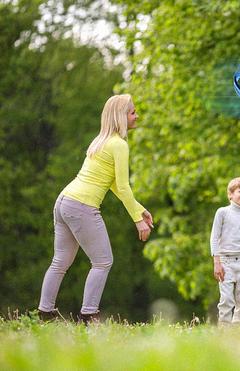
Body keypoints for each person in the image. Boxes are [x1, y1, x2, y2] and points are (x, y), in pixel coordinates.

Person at [37, 94, 153, 324]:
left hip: (64, 201)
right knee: (102, 262)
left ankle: (44, 313)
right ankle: (89, 315)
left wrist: (139, 210)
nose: (136, 116)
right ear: (121, 117)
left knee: (60, 261)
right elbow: (122, 185)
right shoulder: (119, 145)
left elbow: (113, 186)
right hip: (82, 205)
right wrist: (138, 221)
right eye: (132, 112)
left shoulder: (100, 141)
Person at [210, 177, 240, 325]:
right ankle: (224, 330)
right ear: (230, 194)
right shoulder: (222, 212)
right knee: (226, 299)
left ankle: (239, 332)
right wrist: (216, 262)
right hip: (225, 262)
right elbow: (214, 237)